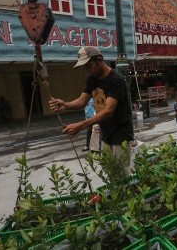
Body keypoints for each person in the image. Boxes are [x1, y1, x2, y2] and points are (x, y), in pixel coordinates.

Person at [49, 46, 134, 177]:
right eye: (85, 67)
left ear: (99, 60)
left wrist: (80, 125)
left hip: (121, 132)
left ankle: (127, 196)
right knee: (109, 170)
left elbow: (108, 111)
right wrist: (65, 105)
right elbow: (82, 100)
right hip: (106, 132)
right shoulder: (92, 79)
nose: (87, 70)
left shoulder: (116, 80)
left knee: (122, 172)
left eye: (89, 66)